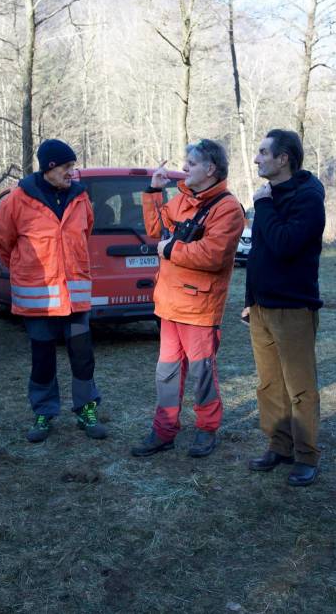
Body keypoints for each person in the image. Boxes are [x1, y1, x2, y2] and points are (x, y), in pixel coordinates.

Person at [131, 140, 245, 458]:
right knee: (166, 372)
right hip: (169, 304)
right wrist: (154, 193)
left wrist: (170, 249)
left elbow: (213, 255)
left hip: (199, 308)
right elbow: (157, 230)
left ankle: (207, 429)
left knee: (202, 372)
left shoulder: (228, 208)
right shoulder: (180, 200)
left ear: (210, 169)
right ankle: (164, 430)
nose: (184, 168)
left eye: (191, 163)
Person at [0, 139, 107, 443]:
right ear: (50, 167)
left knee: (83, 357)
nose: (73, 172)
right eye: (68, 167)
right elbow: (2, 243)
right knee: (42, 358)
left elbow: (86, 232)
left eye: (73, 166)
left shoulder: (81, 198)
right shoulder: (17, 199)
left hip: (75, 297)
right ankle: (44, 412)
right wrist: (24, 267)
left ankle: (86, 409)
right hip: (37, 297)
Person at [243, 129, 326, 487]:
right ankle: (279, 446)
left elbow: (285, 245)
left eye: (263, 152)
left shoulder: (308, 197)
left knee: (300, 388)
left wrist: (263, 205)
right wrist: (250, 302)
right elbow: (258, 254)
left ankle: (306, 456)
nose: (257, 158)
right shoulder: (269, 195)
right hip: (261, 308)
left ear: (283, 158)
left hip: (293, 308)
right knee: (269, 384)